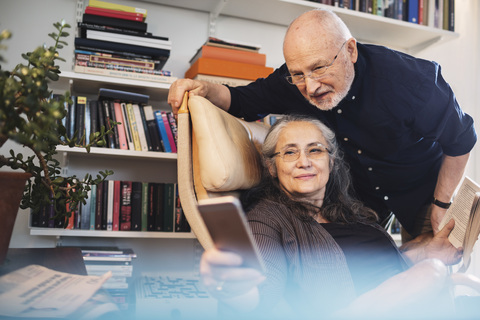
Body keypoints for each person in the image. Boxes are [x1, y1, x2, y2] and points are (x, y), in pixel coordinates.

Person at [168, 9, 477, 243]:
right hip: (358, 196)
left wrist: (441, 203)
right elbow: (241, 100)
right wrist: (204, 89)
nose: (311, 86)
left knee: (435, 266)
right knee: (372, 266)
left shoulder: (412, 81)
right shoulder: (294, 79)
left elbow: (461, 140)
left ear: (351, 51)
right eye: (298, 74)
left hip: (425, 188)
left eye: (319, 68)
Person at [199, 115, 463, 319]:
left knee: (433, 269)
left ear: (331, 161)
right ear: (272, 167)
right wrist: (234, 289)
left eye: (315, 150)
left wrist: (428, 251)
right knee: (433, 273)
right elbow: (260, 294)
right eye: (290, 152)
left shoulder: (350, 210)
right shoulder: (268, 217)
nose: (304, 161)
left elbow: (381, 265)